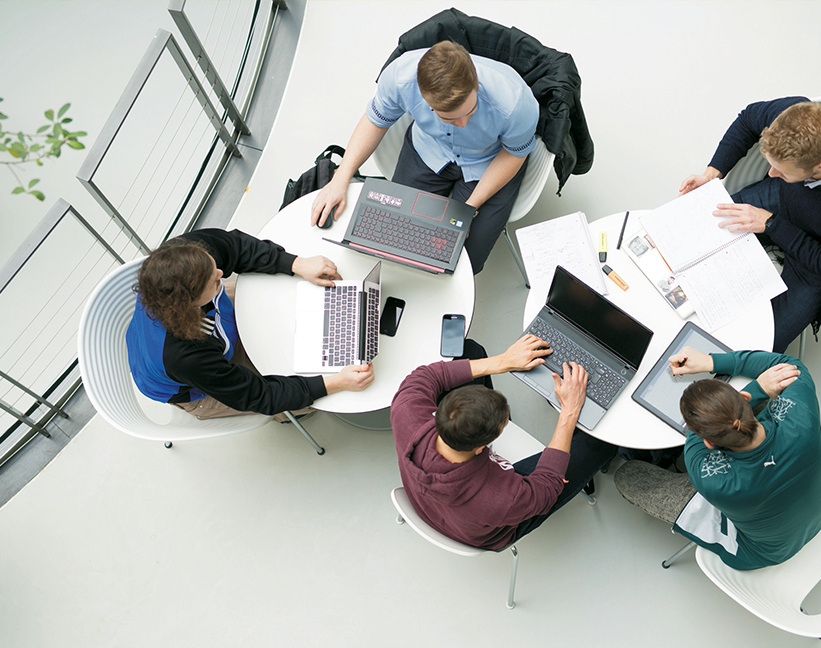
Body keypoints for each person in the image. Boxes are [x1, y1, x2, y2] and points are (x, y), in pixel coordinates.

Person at [679, 97, 821, 351]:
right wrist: (711, 175)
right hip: (782, 200)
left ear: (820, 166)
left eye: (782, 171)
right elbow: (748, 118)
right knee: (691, 238)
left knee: (761, 344)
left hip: (817, 251)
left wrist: (771, 225)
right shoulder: (793, 116)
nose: (770, 174)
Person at [310, 40, 539, 275]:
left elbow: (514, 154)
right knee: (394, 235)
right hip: (429, 150)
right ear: (425, 100)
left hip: (489, 162)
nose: (463, 124)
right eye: (449, 118)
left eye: (470, 111)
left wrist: (467, 210)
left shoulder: (515, 102)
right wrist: (341, 178)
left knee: (464, 260)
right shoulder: (401, 78)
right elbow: (375, 121)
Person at [614, 348, 821, 570]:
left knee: (627, 475)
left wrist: (755, 390)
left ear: (709, 443)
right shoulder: (802, 412)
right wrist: (713, 362)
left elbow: (693, 436)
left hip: (764, 552)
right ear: (745, 398)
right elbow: (786, 362)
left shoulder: (709, 478)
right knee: (775, 388)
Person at [391, 335, 618, 550]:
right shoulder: (502, 497)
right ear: (482, 447)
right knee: (599, 441)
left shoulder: (406, 412)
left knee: (469, 350)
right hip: (489, 530)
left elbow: (424, 377)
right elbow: (546, 489)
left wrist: (503, 361)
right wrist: (569, 411)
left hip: (432, 504)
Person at [126, 228, 374, 419]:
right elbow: (258, 395)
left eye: (214, 267)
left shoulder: (184, 256)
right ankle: (291, 418)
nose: (221, 273)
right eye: (213, 281)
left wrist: (297, 264)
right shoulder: (185, 355)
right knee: (307, 401)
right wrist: (335, 383)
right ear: (189, 303)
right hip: (192, 384)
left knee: (285, 295)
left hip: (202, 333)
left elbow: (234, 247)